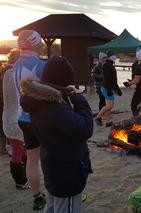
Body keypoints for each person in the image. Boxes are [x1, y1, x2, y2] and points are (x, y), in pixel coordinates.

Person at [20, 56, 93, 213]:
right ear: (63, 81)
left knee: (53, 206)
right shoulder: (53, 108)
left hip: (54, 166)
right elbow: (85, 129)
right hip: (67, 173)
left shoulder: (38, 101)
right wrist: (78, 98)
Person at [12, 30, 46, 210]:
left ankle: (37, 196)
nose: (42, 46)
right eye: (40, 43)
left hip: (22, 117)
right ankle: (56, 191)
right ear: (34, 44)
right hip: (40, 118)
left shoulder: (14, 65)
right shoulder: (40, 66)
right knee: (49, 156)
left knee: (32, 159)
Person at [2, 48, 29, 190]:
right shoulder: (13, 74)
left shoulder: (8, 73)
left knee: (22, 150)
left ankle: (25, 177)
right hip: (15, 118)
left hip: (11, 116)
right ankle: (20, 181)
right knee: (18, 152)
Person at [95, 50, 122, 127]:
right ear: (110, 57)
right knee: (109, 106)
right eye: (113, 55)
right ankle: (98, 117)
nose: (115, 57)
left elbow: (114, 79)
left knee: (110, 106)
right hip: (106, 88)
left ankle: (107, 122)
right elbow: (106, 79)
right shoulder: (106, 65)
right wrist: (110, 89)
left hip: (109, 88)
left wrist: (117, 89)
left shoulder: (110, 65)